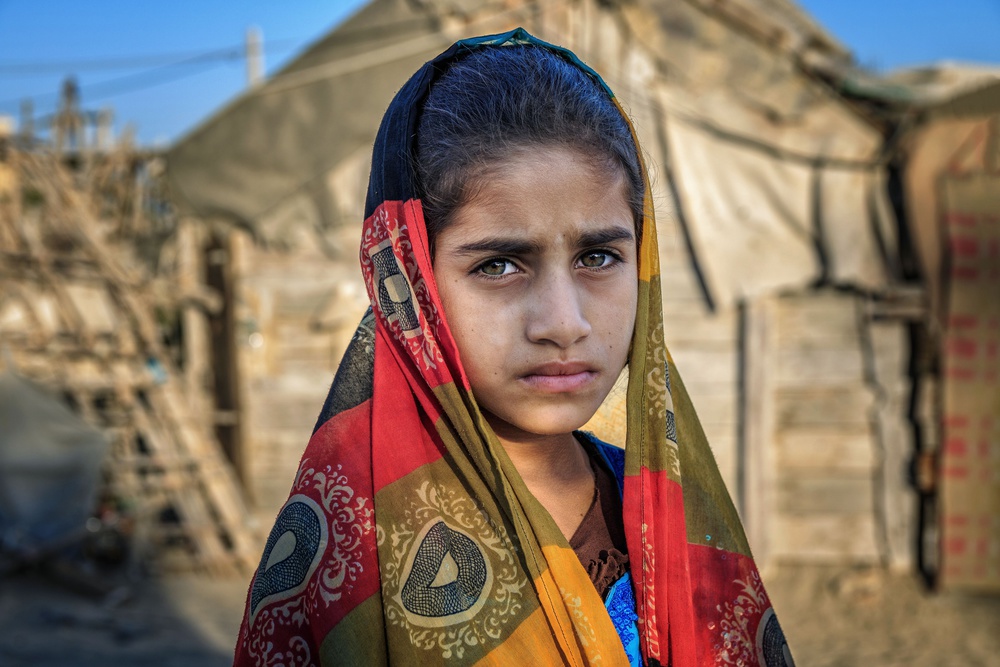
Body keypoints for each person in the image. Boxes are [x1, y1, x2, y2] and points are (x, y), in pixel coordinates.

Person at [233, 28, 793, 667]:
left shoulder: (666, 516)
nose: (563, 322)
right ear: (411, 285)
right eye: (500, 265)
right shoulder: (348, 549)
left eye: (598, 256)